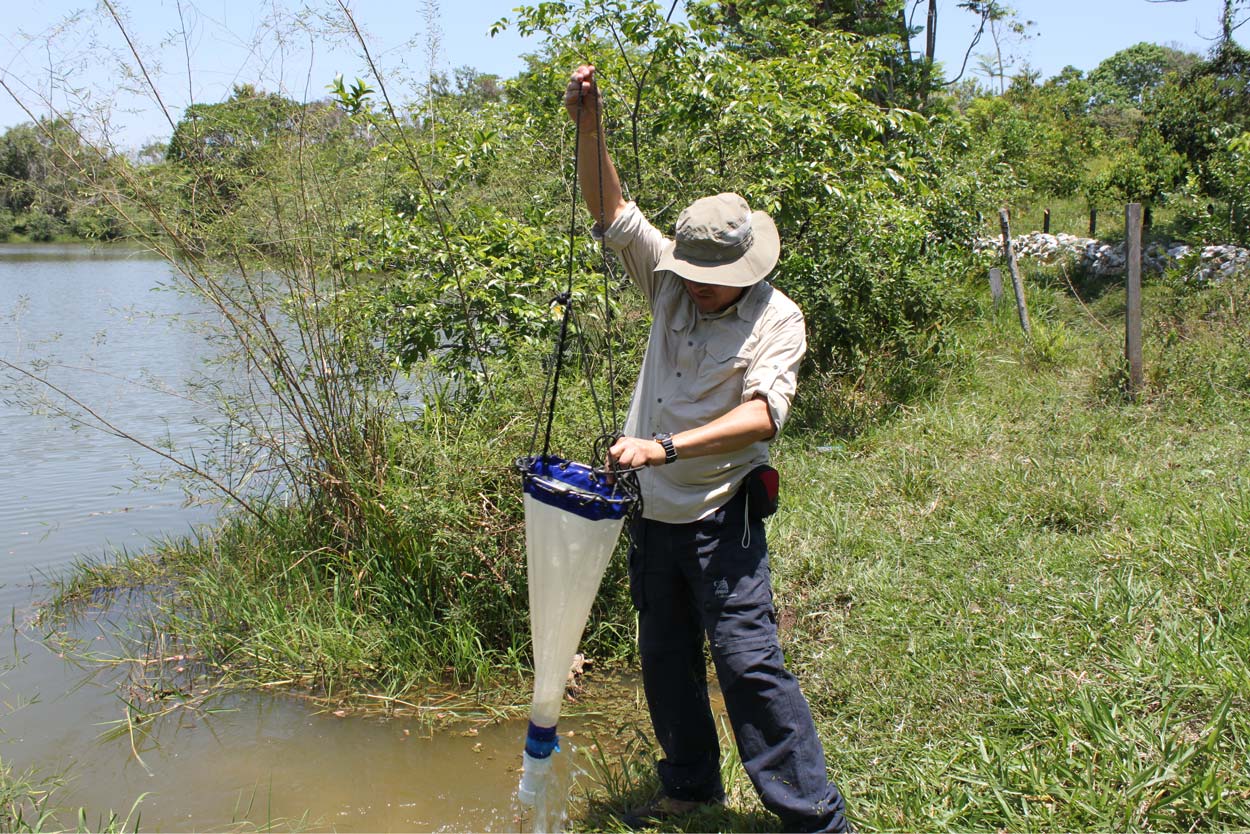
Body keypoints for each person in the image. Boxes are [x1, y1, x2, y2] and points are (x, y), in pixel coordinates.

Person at [564, 65, 852, 833]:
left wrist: (664, 446)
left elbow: (763, 416)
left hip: (723, 514)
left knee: (751, 667)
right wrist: (589, 126)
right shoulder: (668, 283)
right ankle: (691, 789)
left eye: (710, 280)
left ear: (746, 270)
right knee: (664, 659)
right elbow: (615, 209)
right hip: (653, 518)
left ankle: (816, 820)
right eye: (687, 274)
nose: (694, 288)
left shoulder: (777, 319)